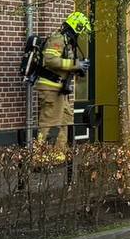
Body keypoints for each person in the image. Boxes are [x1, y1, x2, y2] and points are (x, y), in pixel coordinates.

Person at [36, 11, 91, 148]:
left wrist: (79, 68)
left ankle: (58, 154)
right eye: (81, 30)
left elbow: (65, 63)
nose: (80, 34)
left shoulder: (67, 43)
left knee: (65, 121)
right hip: (50, 89)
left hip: (60, 90)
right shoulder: (58, 39)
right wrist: (75, 64)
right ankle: (42, 157)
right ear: (76, 27)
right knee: (49, 123)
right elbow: (49, 60)